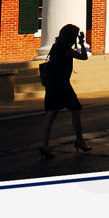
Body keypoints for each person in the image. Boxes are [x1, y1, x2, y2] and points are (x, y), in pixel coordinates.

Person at [39, 23, 91, 160]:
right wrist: (82, 43)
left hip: (52, 84)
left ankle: (45, 145)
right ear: (71, 36)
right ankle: (79, 140)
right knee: (76, 109)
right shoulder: (64, 48)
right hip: (62, 84)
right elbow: (84, 57)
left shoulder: (56, 46)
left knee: (51, 113)